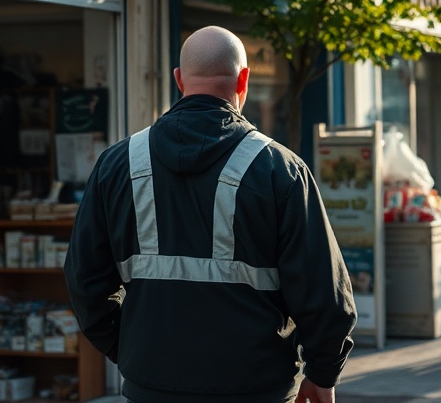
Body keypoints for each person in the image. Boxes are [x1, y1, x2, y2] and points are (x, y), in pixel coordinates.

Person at [64, 26, 357, 403]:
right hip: (255, 387)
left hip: (151, 385)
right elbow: (323, 290)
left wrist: (131, 349)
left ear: (179, 80)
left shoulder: (117, 165)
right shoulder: (280, 169)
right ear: (244, 80)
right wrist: (323, 372)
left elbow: (84, 279)